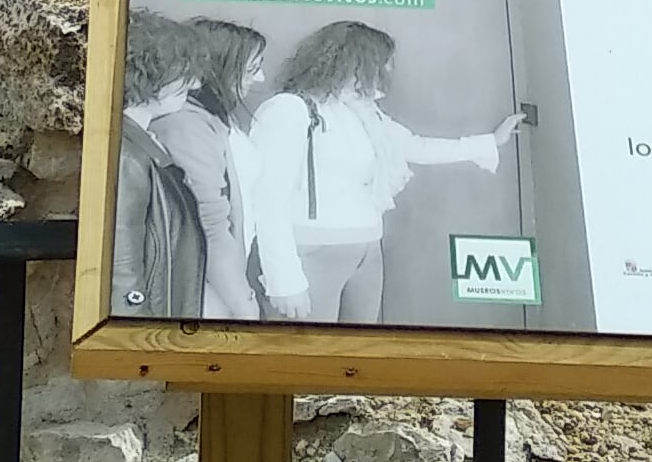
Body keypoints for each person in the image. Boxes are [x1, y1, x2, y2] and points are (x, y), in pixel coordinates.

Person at [239, 21, 536, 325]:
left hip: (367, 253)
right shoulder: (290, 108)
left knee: (357, 356)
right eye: (381, 63)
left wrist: (490, 141)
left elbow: (416, 147)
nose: (386, 72)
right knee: (307, 360)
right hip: (311, 254)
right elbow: (267, 197)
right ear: (355, 61)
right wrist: (283, 279)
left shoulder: (366, 114)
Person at [112, 16, 263, 320]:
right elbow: (124, 264)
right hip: (190, 296)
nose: (195, 83)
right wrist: (244, 303)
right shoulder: (137, 150)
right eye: (185, 72)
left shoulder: (145, 138)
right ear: (152, 73)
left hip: (190, 289)